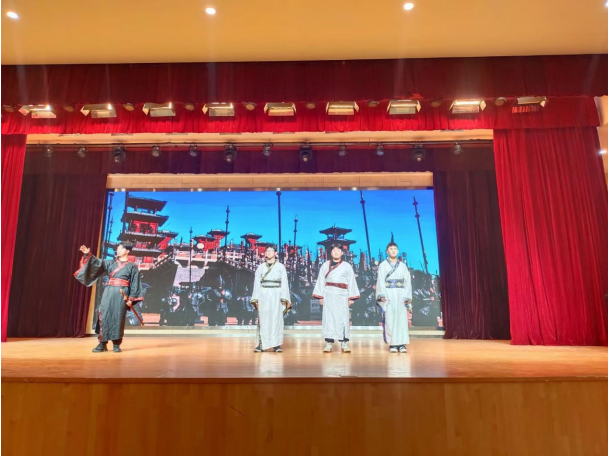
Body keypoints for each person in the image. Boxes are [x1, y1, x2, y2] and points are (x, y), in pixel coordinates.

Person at [74, 242, 143, 353]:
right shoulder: (111, 262)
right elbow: (97, 263)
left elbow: (135, 283)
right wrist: (87, 254)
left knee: (118, 317)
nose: (118, 250)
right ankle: (102, 343)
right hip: (109, 291)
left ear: (127, 251)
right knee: (104, 315)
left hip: (122, 293)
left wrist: (131, 299)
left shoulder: (133, 266)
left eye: (121, 248)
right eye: (118, 248)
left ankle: (116, 344)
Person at [313, 243, 360, 353]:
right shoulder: (325, 265)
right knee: (328, 318)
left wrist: (351, 298)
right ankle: (329, 343)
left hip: (342, 295)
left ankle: (344, 343)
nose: (336, 252)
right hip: (328, 294)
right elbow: (321, 281)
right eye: (334, 250)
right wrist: (320, 296)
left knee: (343, 318)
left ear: (342, 253)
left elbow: (352, 282)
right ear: (331, 252)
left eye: (338, 250)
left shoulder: (347, 266)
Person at [251, 246, 291, 352]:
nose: (269, 252)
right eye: (267, 251)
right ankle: (261, 344)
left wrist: (284, 297)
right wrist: (256, 298)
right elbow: (256, 283)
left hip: (276, 294)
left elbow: (285, 283)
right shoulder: (260, 267)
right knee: (263, 318)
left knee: (276, 318)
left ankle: (276, 344)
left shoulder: (280, 267)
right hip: (263, 293)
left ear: (275, 253)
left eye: (271, 251)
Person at [375, 241, 412, 353]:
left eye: (395, 248)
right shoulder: (383, 265)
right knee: (390, 318)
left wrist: (407, 296)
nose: (393, 250)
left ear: (398, 251)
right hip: (388, 293)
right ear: (387, 251)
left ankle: (402, 343)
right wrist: (382, 295)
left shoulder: (403, 266)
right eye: (391, 249)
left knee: (401, 318)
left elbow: (407, 282)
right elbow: (380, 281)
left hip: (401, 293)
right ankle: (392, 344)